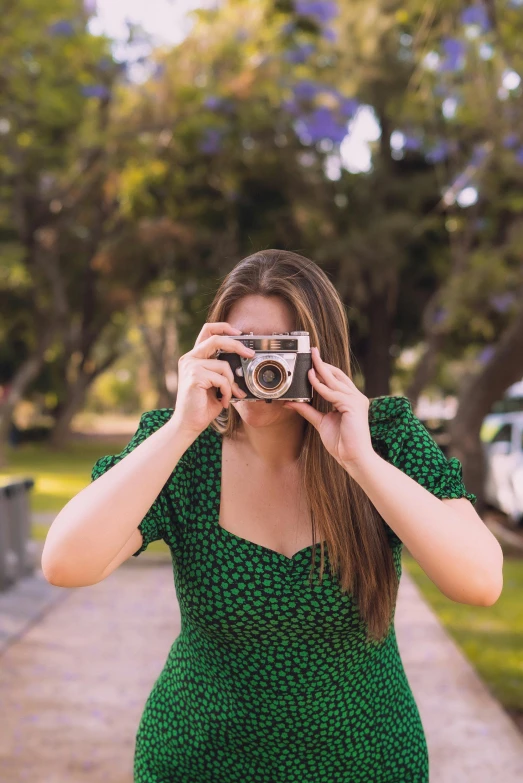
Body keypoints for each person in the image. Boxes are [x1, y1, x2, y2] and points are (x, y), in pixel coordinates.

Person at [42, 249, 503, 783]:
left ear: (320, 355)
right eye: (242, 348)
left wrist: (359, 461)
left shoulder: (384, 439)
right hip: (197, 763)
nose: (262, 368)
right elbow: (64, 563)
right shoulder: (182, 454)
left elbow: (480, 582)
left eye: (281, 350)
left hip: (366, 764)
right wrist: (180, 428)